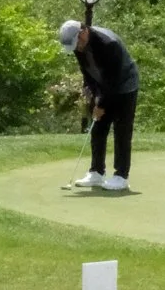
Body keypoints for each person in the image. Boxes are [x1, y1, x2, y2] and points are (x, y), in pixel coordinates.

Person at [58, 19, 139, 192]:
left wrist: (101, 104)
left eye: (76, 43)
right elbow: (87, 73)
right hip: (104, 86)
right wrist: (92, 97)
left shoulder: (108, 44)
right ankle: (96, 172)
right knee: (97, 128)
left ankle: (121, 176)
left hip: (125, 86)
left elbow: (113, 80)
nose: (77, 48)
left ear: (82, 33)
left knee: (122, 130)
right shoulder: (79, 46)